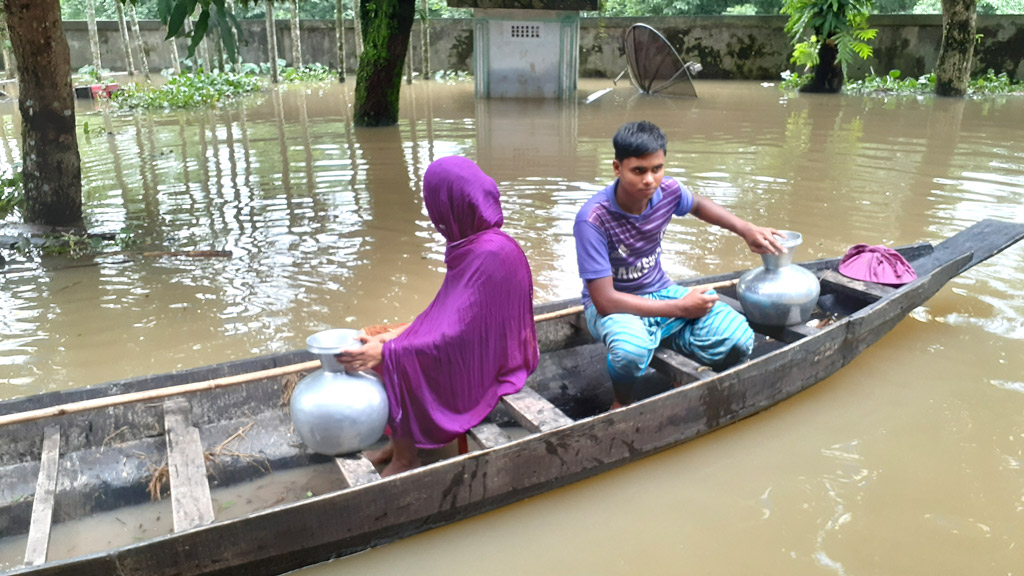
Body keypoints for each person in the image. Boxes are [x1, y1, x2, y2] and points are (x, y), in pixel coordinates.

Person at [337, 155, 539, 477]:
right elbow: (447, 311)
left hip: (493, 359)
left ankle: (405, 459)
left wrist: (390, 349)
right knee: (383, 337)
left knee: (394, 359)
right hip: (478, 341)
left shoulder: (490, 254)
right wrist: (394, 334)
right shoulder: (473, 243)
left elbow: (458, 333)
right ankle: (398, 443)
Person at [574, 121, 785, 409]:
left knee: (738, 339)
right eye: (639, 170)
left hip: (660, 291)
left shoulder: (668, 191)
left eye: (656, 169)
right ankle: (621, 402)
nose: (650, 179)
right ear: (617, 168)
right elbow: (605, 301)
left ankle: (679, 372)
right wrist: (680, 308)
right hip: (617, 305)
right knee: (630, 352)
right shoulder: (593, 220)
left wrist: (745, 229)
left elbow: (697, 204)